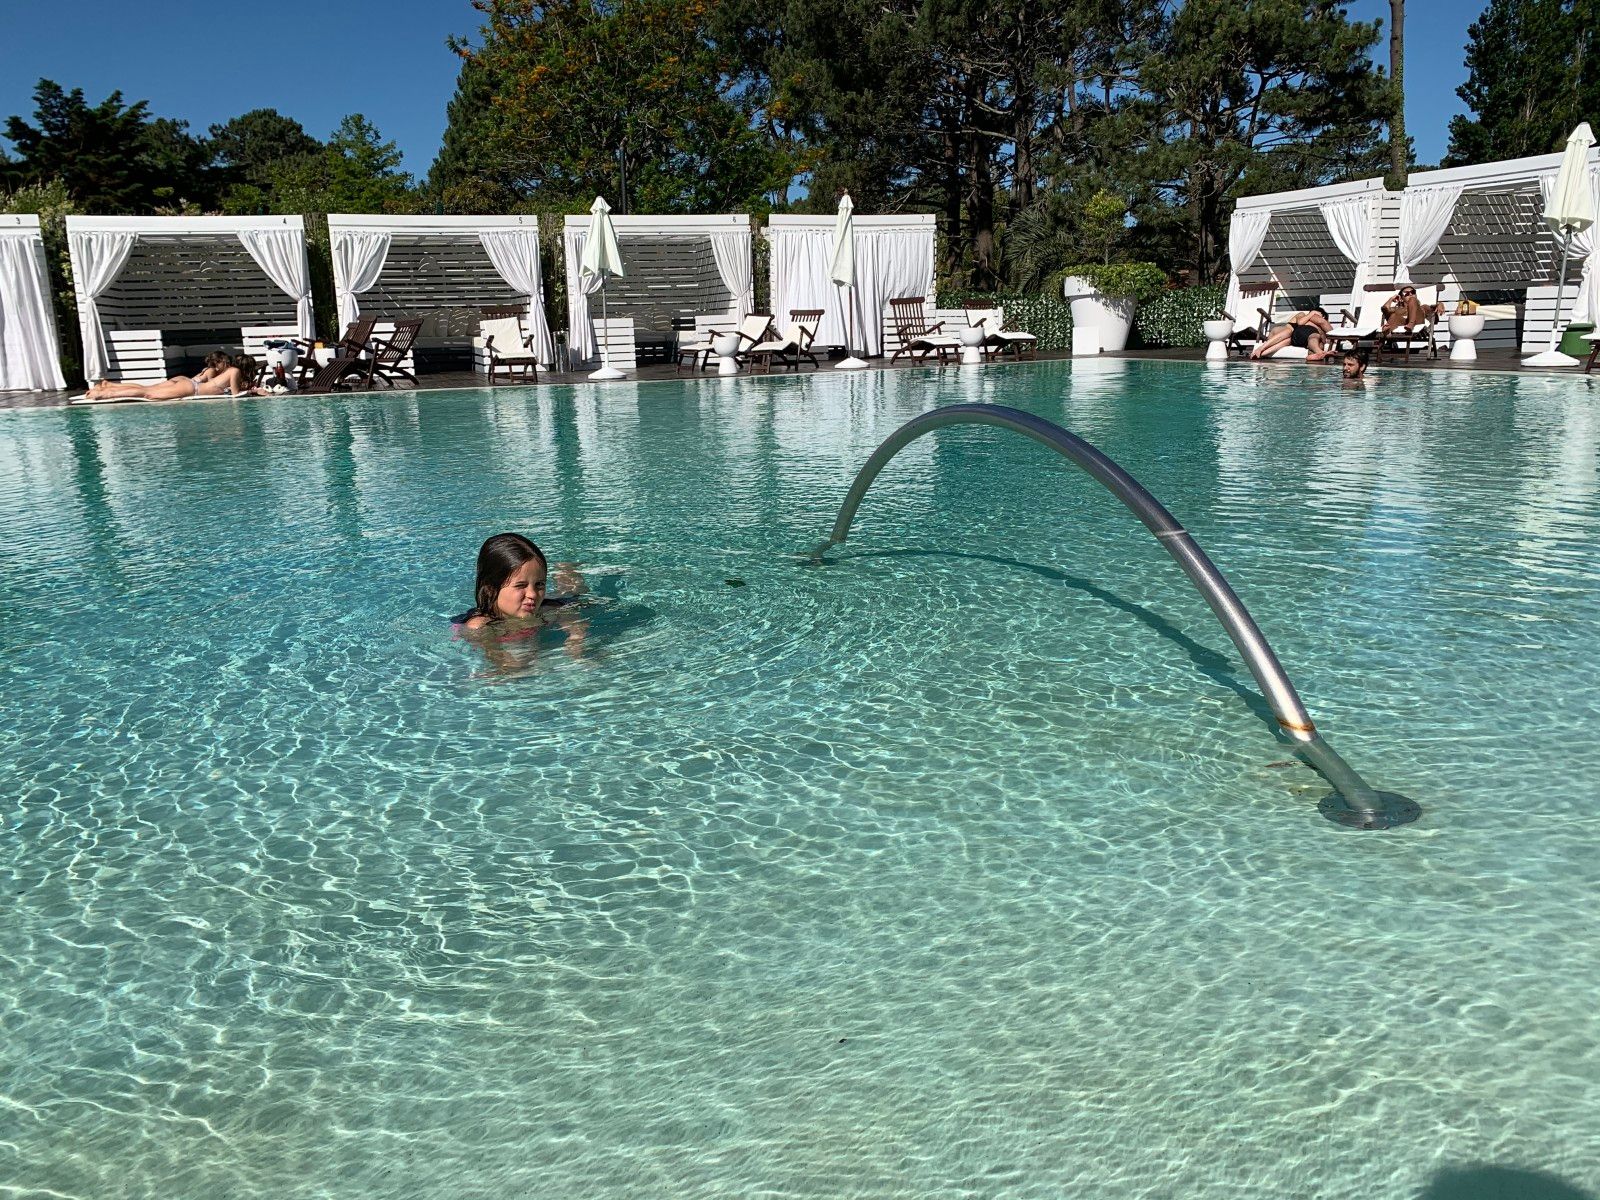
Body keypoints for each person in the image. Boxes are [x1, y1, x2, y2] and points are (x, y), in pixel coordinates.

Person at [457, 532, 588, 661]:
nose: (532, 594)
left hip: (553, 604)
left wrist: (575, 637)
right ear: (491, 589)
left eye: (540, 584)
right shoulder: (480, 627)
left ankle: (567, 573)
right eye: (521, 585)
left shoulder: (545, 610)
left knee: (573, 594)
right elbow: (499, 660)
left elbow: (570, 616)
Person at [84, 351, 257, 402]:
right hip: (191, 389)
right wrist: (253, 391)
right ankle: (103, 394)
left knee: (147, 389)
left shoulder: (228, 371)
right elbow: (235, 395)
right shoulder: (234, 372)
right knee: (148, 394)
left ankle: (107, 387)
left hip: (188, 384)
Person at [1249, 307, 1334, 361]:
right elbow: (1300, 322)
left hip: (1290, 337)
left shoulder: (1310, 326)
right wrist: (1312, 313)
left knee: (1288, 340)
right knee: (1289, 332)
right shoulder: (1302, 315)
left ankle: (1260, 354)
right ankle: (1261, 348)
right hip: (1279, 332)